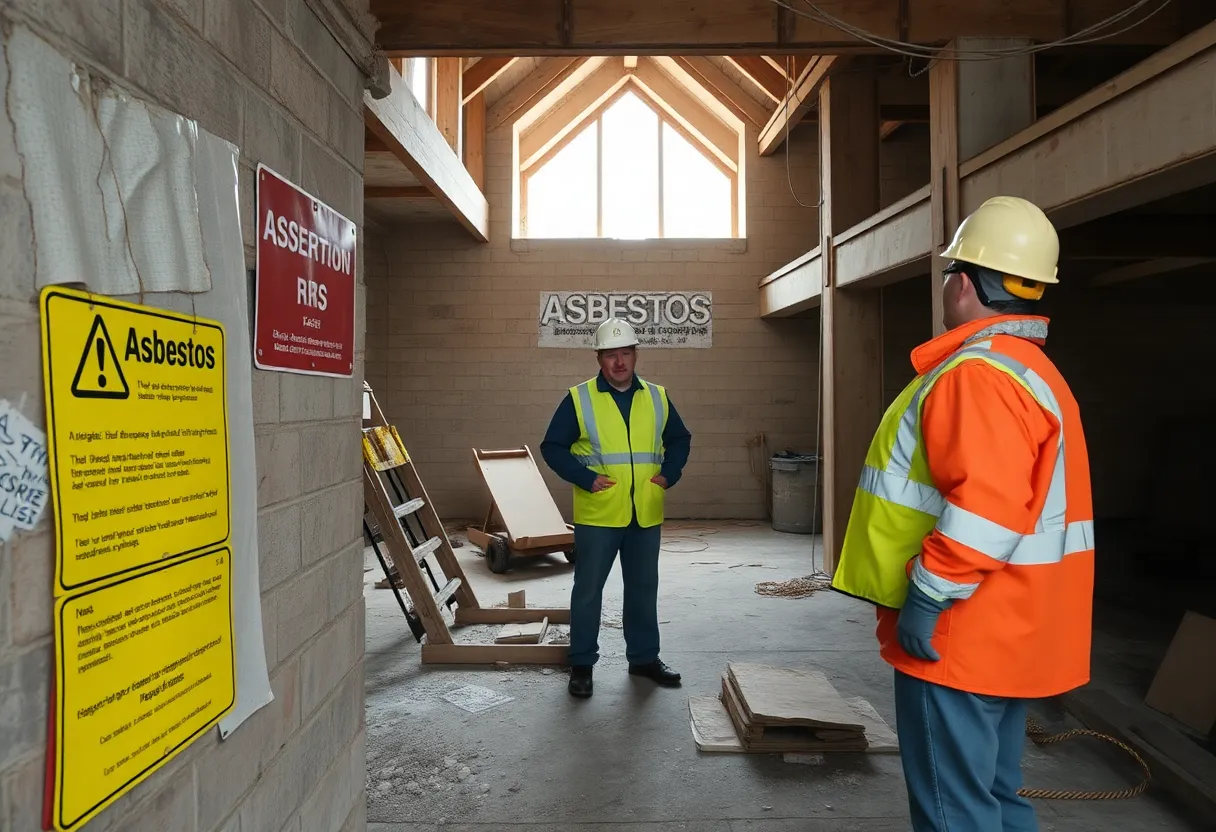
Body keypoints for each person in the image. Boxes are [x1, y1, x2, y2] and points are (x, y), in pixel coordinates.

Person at [831, 195, 1095, 831]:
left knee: (955, 811)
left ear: (969, 284)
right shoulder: (1035, 371)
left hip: (960, 632)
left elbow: (988, 508)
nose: (947, 281)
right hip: (1010, 629)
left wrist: (926, 593)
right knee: (997, 800)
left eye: (953, 269)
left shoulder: (976, 375)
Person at [540, 317, 692, 698]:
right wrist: (584, 478)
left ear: (635, 354)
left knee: (643, 589)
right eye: (611, 355)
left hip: (645, 511)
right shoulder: (579, 398)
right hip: (599, 514)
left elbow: (680, 439)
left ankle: (643, 658)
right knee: (588, 590)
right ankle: (582, 664)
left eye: (626, 353)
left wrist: (669, 474)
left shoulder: (657, 396)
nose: (620, 362)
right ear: (599, 358)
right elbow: (552, 447)